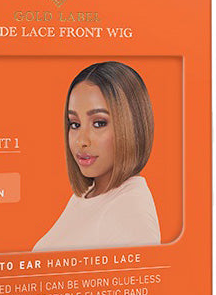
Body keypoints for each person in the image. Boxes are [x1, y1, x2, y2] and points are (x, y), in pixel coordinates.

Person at [33, 61, 160, 251]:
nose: (81, 140)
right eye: (75, 124)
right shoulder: (86, 195)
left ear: (132, 126)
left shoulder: (130, 213)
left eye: (99, 123)